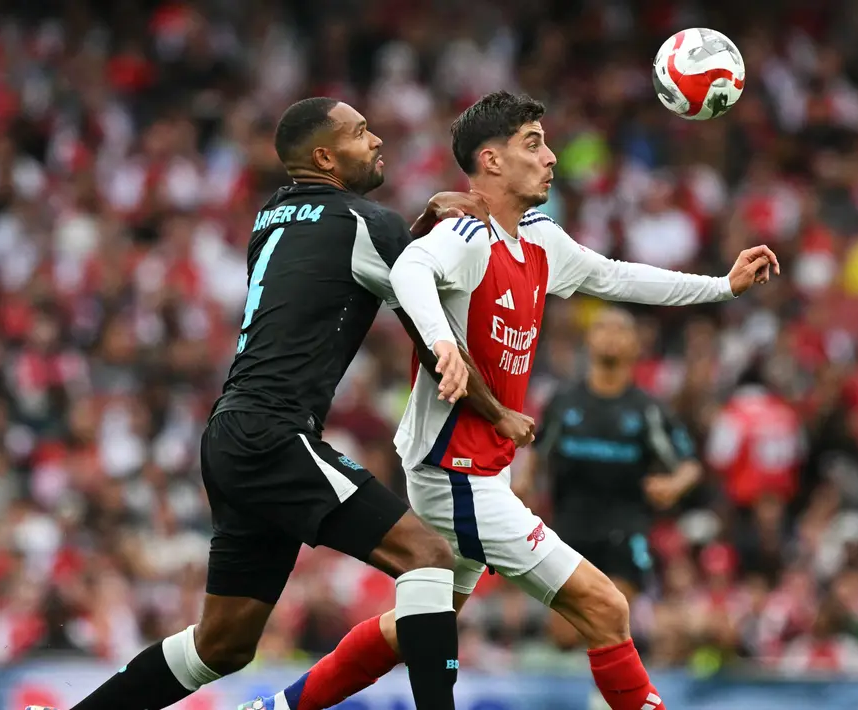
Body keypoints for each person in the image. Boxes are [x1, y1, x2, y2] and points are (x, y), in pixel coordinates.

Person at [253, 90, 777, 710]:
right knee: (605, 607)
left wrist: (722, 286)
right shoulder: (467, 235)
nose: (551, 158)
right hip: (453, 472)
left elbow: (615, 275)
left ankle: (275, 708)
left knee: (414, 627)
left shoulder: (539, 239)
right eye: (533, 144)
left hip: (484, 470)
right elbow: (412, 269)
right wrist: (443, 343)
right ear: (491, 161)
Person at [28, 97, 531, 710]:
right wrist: (498, 412)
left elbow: (344, 257)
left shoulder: (272, 216)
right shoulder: (367, 224)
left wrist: (417, 225)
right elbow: (430, 331)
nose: (376, 141)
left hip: (231, 435)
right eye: (360, 132)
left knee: (223, 644)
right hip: (274, 433)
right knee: (427, 556)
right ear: (325, 155)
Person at [515, 306, 700, 612]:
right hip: (569, 528)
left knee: (613, 613)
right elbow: (536, 454)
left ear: (635, 345)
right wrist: (522, 484)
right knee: (565, 633)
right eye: (603, 328)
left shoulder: (648, 409)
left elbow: (690, 464)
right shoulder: (563, 403)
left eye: (620, 330)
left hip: (624, 529)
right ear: (588, 340)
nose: (611, 337)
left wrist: (674, 485)